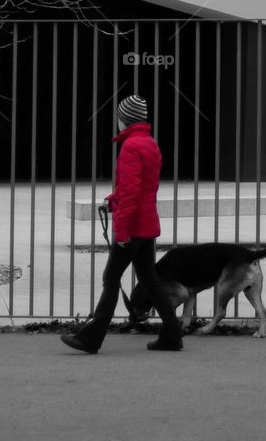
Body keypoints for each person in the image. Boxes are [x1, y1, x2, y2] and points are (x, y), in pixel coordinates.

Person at [61, 95, 183, 352]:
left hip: (134, 227)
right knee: (150, 279)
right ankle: (172, 334)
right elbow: (139, 189)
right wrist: (112, 200)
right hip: (147, 223)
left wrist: (122, 232)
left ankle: (90, 337)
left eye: (118, 117)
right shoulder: (149, 143)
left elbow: (130, 193)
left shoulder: (130, 147)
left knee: (111, 278)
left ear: (123, 119)